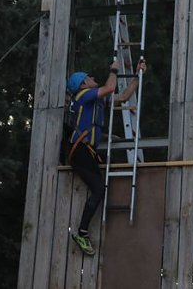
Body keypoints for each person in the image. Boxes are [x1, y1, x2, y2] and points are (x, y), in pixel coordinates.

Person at [65, 59, 146, 256]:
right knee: (99, 188)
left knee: (108, 172)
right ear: (83, 84)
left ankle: (83, 231)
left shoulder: (93, 101)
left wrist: (138, 76)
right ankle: (82, 232)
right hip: (80, 151)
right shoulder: (83, 95)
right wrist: (113, 69)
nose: (93, 78)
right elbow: (110, 87)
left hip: (86, 150)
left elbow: (124, 96)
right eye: (89, 78)